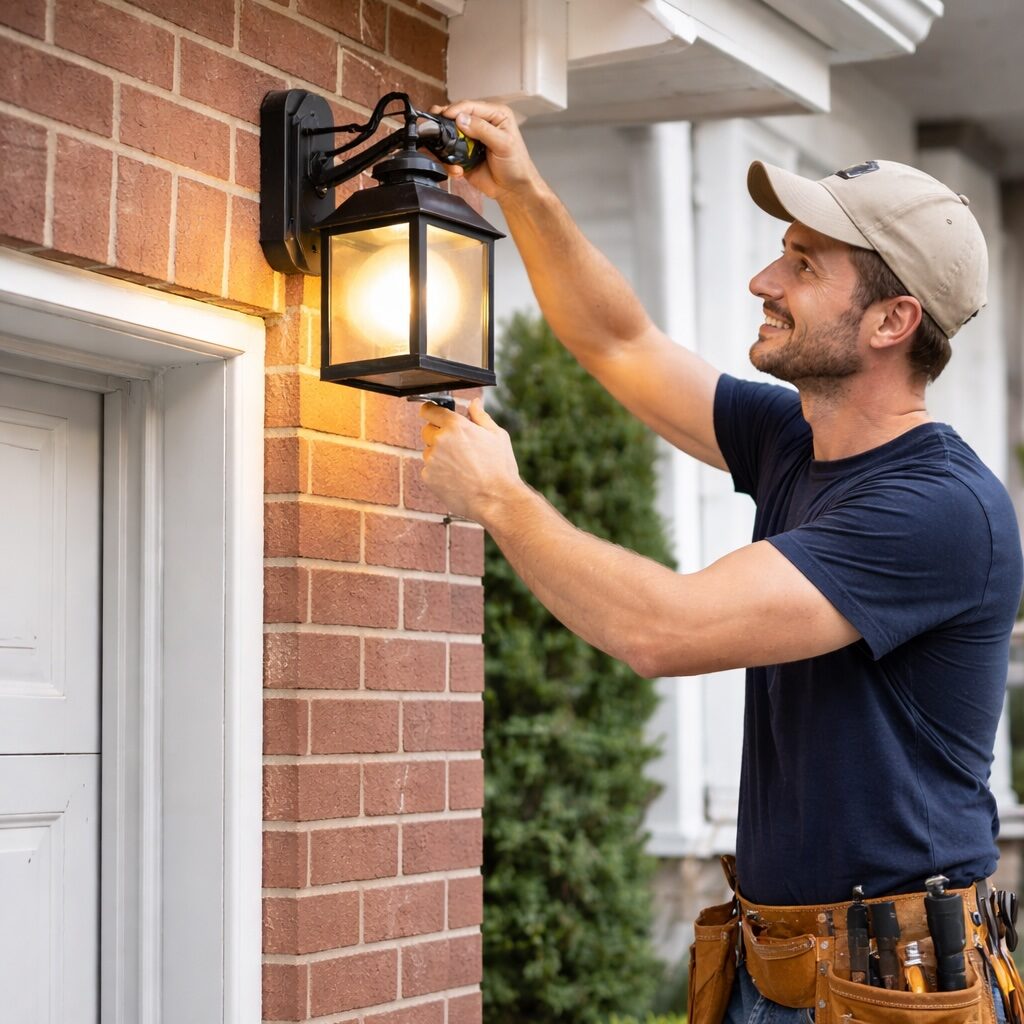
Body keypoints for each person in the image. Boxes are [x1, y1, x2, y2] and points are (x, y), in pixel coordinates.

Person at [418, 101, 1024, 1024]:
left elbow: (662, 629)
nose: (761, 278)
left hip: (883, 993)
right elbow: (620, 344)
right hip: (776, 964)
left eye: (804, 265)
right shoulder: (798, 438)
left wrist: (500, 498)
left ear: (891, 320)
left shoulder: (938, 511)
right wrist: (522, 191)